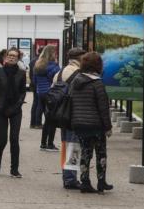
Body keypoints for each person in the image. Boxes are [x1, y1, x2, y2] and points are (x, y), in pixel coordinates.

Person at [70, 51, 113, 193]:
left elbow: (71, 102)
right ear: (98, 65)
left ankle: (85, 181)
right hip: (96, 125)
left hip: (80, 124)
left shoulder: (76, 81)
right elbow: (103, 108)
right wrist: (108, 127)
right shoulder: (97, 83)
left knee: (85, 153)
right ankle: (101, 181)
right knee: (101, 153)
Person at [0, 47, 27, 178]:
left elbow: (23, 91)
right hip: (1, 109)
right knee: (2, 140)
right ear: (6, 57)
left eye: (14, 56)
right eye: (10, 55)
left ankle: (14, 169)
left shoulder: (21, 73)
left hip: (15, 109)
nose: (12, 57)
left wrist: (20, 103)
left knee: (14, 139)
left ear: (18, 59)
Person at [56, 47, 85, 190]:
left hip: (62, 114)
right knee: (74, 146)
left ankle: (66, 175)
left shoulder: (60, 72)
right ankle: (70, 178)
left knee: (66, 145)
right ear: (80, 58)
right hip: (74, 113)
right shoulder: (78, 74)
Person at [32, 45, 61, 151]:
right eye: (55, 53)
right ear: (51, 54)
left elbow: (34, 81)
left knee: (47, 120)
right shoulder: (53, 66)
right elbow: (58, 79)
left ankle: (43, 143)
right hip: (51, 94)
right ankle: (50, 144)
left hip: (40, 93)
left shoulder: (38, 65)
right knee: (52, 120)